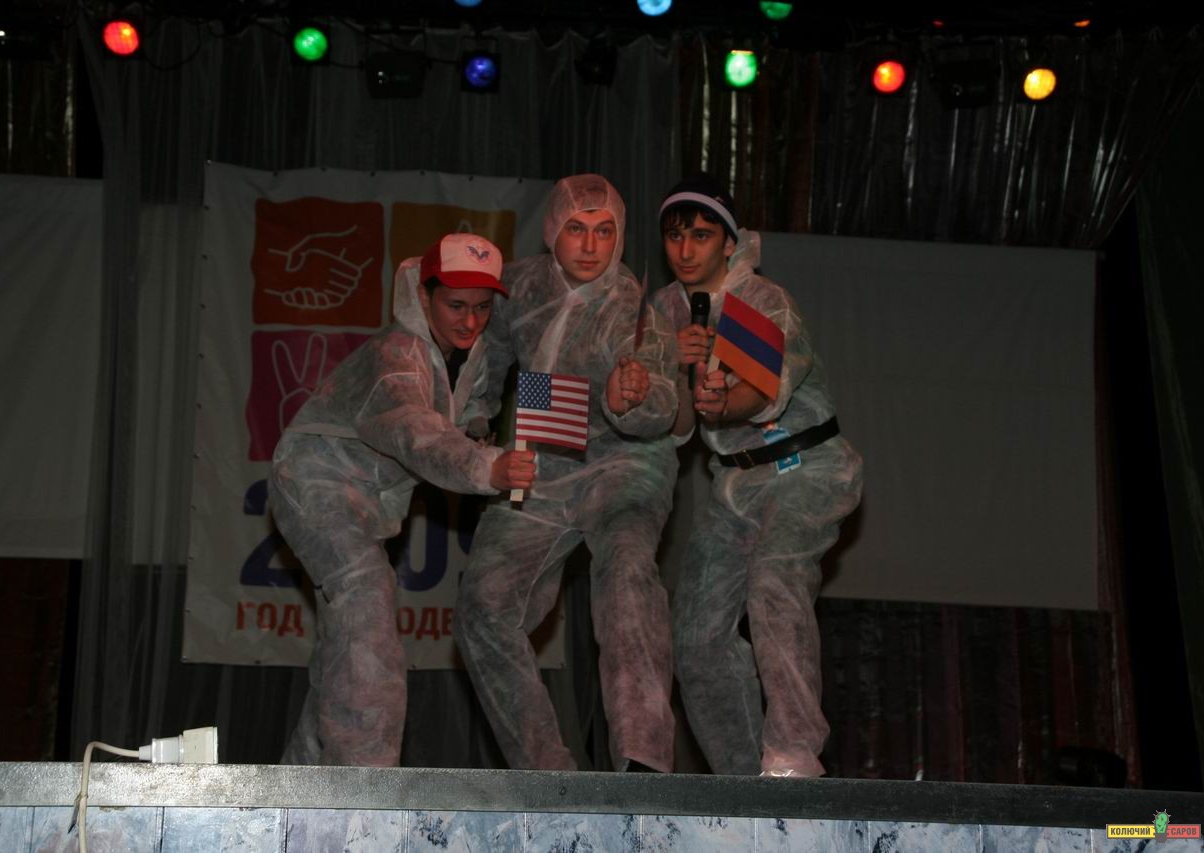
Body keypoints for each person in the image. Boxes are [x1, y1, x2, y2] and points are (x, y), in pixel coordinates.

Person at [271, 233, 536, 766]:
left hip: (366, 505)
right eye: (455, 305)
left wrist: (483, 435)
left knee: (343, 644)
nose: (470, 321)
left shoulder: (473, 356)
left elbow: (471, 413)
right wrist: (487, 467)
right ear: (423, 294)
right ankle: (364, 783)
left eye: (482, 308)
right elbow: (416, 433)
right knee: (366, 595)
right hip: (315, 484)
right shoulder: (398, 356)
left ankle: (300, 782)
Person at [455, 174, 680, 773]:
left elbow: (662, 401)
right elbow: (491, 351)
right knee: (483, 604)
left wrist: (632, 397)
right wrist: (474, 418)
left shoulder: (634, 310)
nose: (590, 245)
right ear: (553, 230)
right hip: (545, 459)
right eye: (577, 229)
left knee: (627, 572)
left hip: (622, 461)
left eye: (605, 232)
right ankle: (545, 771)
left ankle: (643, 761)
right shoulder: (523, 285)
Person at [651, 174, 864, 778]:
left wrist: (724, 402)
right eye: (674, 236)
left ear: (728, 241)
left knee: (774, 582)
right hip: (735, 486)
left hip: (807, 468)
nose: (686, 249)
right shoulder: (665, 311)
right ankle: (744, 783)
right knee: (695, 637)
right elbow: (671, 421)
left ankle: (794, 755)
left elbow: (763, 392)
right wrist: (665, 380)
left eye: (701, 235)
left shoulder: (762, 301)